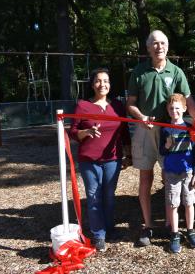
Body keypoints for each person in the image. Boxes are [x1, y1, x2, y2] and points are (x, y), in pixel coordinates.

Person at [126, 30, 195, 247]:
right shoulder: (139, 72)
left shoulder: (176, 72)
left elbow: (189, 101)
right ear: (148, 48)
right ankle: (148, 225)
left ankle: (172, 225)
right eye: (155, 43)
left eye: (163, 43)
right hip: (145, 130)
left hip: (172, 131)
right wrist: (141, 117)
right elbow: (130, 103)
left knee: (172, 176)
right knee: (145, 178)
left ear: (168, 46)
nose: (159, 47)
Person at [69, 68, 131, 252]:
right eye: (98, 81)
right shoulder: (83, 105)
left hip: (113, 159)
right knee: (94, 197)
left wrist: (129, 154)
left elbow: (125, 131)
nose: (102, 84)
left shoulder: (118, 106)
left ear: (110, 85)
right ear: (92, 84)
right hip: (89, 159)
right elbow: (72, 131)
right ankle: (99, 235)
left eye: (106, 81)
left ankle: (109, 228)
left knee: (109, 196)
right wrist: (86, 132)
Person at [159, 93, 195, 253]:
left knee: (189, 202)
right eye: (171, 108)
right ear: (167, 110)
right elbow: (162, 151)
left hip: (188, 172)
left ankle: (190, 231)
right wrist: (168, 145)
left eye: (177, 108)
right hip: (171, 173)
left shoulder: (190, 128)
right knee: (172, 203)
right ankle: (175, 233)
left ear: (184, 108)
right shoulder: (164, 130)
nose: (174, 111)